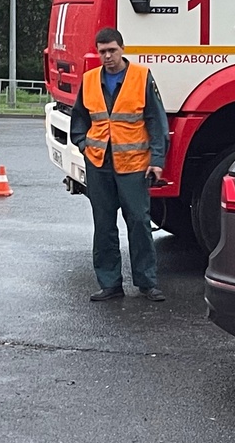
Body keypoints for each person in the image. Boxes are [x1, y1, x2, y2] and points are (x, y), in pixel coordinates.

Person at [70, 28, 169, 302]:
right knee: (103, 224)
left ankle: (147, 283)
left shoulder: (141, 77)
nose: (107, 56)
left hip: (134, 163)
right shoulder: (89, 80)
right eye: (102, 51)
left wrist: (157, 161)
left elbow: (156, 121)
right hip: (99, 163)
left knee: (138, 221)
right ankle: (110, 284)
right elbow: (79, 119)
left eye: (112, 50)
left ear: (122, 49)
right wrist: (83, 143)